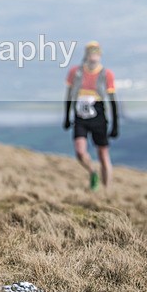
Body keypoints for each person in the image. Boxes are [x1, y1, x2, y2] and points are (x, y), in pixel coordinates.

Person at [63, 41, 119, 191]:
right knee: (80, 151)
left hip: (98, 116)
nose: (93, 56)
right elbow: (68, 95)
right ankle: (93, 172)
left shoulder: (106, 74)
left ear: (100, 55)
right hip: (80, 116)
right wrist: (67, 117)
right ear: (86, 55)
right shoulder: (75, 72)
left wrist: (115, 125)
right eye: (90, 53)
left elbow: (113, 101)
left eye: (96, 53)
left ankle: (107, 191)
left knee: (103, 154)